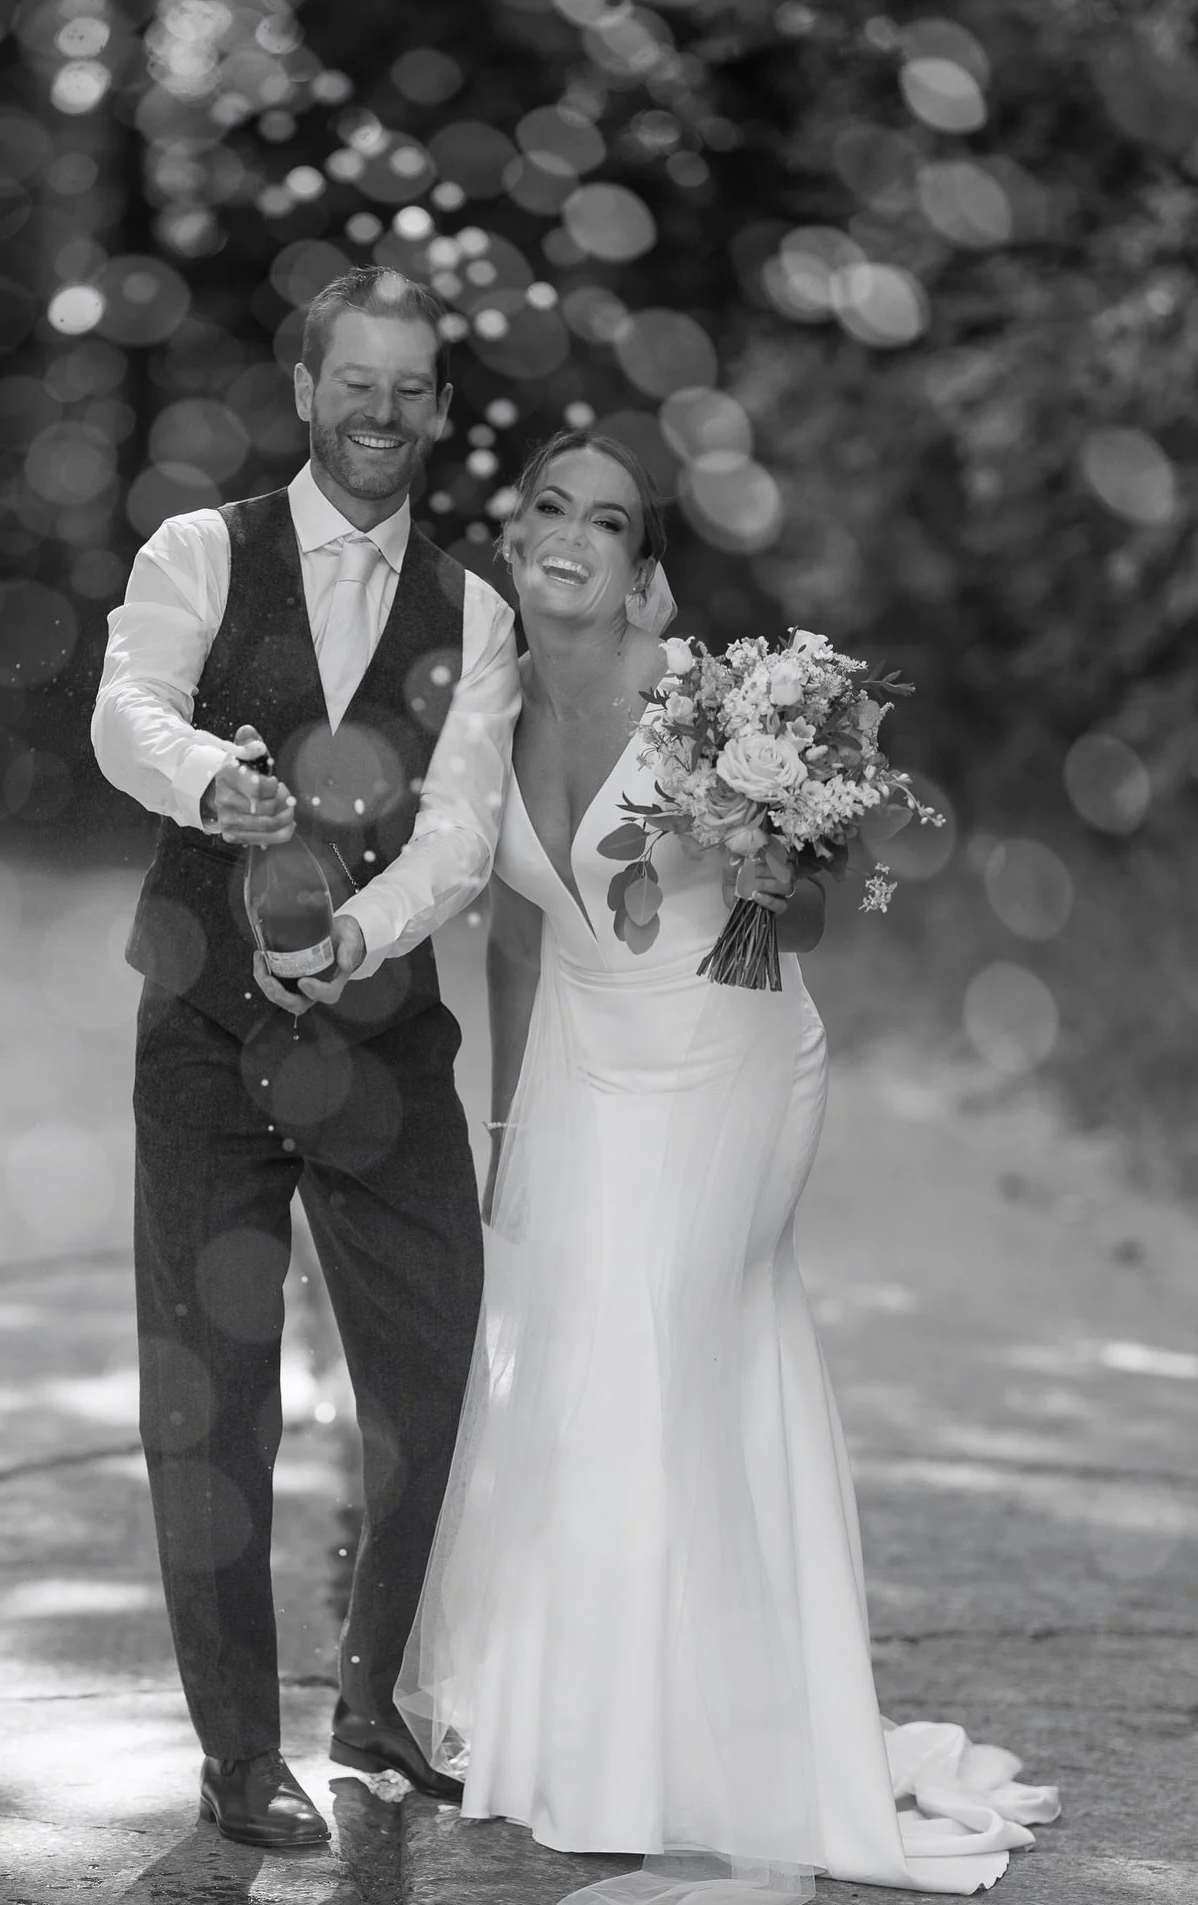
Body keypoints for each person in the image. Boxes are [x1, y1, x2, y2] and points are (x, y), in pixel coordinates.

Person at [395, 431, 1059, 1901]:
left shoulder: (711, 702)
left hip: (730, 1055)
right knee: (577, 1369)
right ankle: (601, 1736)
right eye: (549, 507)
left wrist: (771, 872)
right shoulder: (492, 703)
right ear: (513, 539)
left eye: (606, 520)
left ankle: (704, 1756)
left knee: (667, 1361)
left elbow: (806, 921)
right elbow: (517, 933)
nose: (569, 535)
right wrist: (505, 1127)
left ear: (644, 571)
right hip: (584, 1066)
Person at [92, 268, 520, 1848]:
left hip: (383, 1040)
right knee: (211, 1405)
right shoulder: (199, 552)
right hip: (205, 1038)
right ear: (304, 390)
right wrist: (212, 780)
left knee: (429, 1367)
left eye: (410, 388)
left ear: (442, 411)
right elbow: (125, 711)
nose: (380, 413)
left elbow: (463, 825)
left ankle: (373, 1701)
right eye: (357, 381)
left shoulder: (476, 614)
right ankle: (236, 1753)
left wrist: (362, 933)